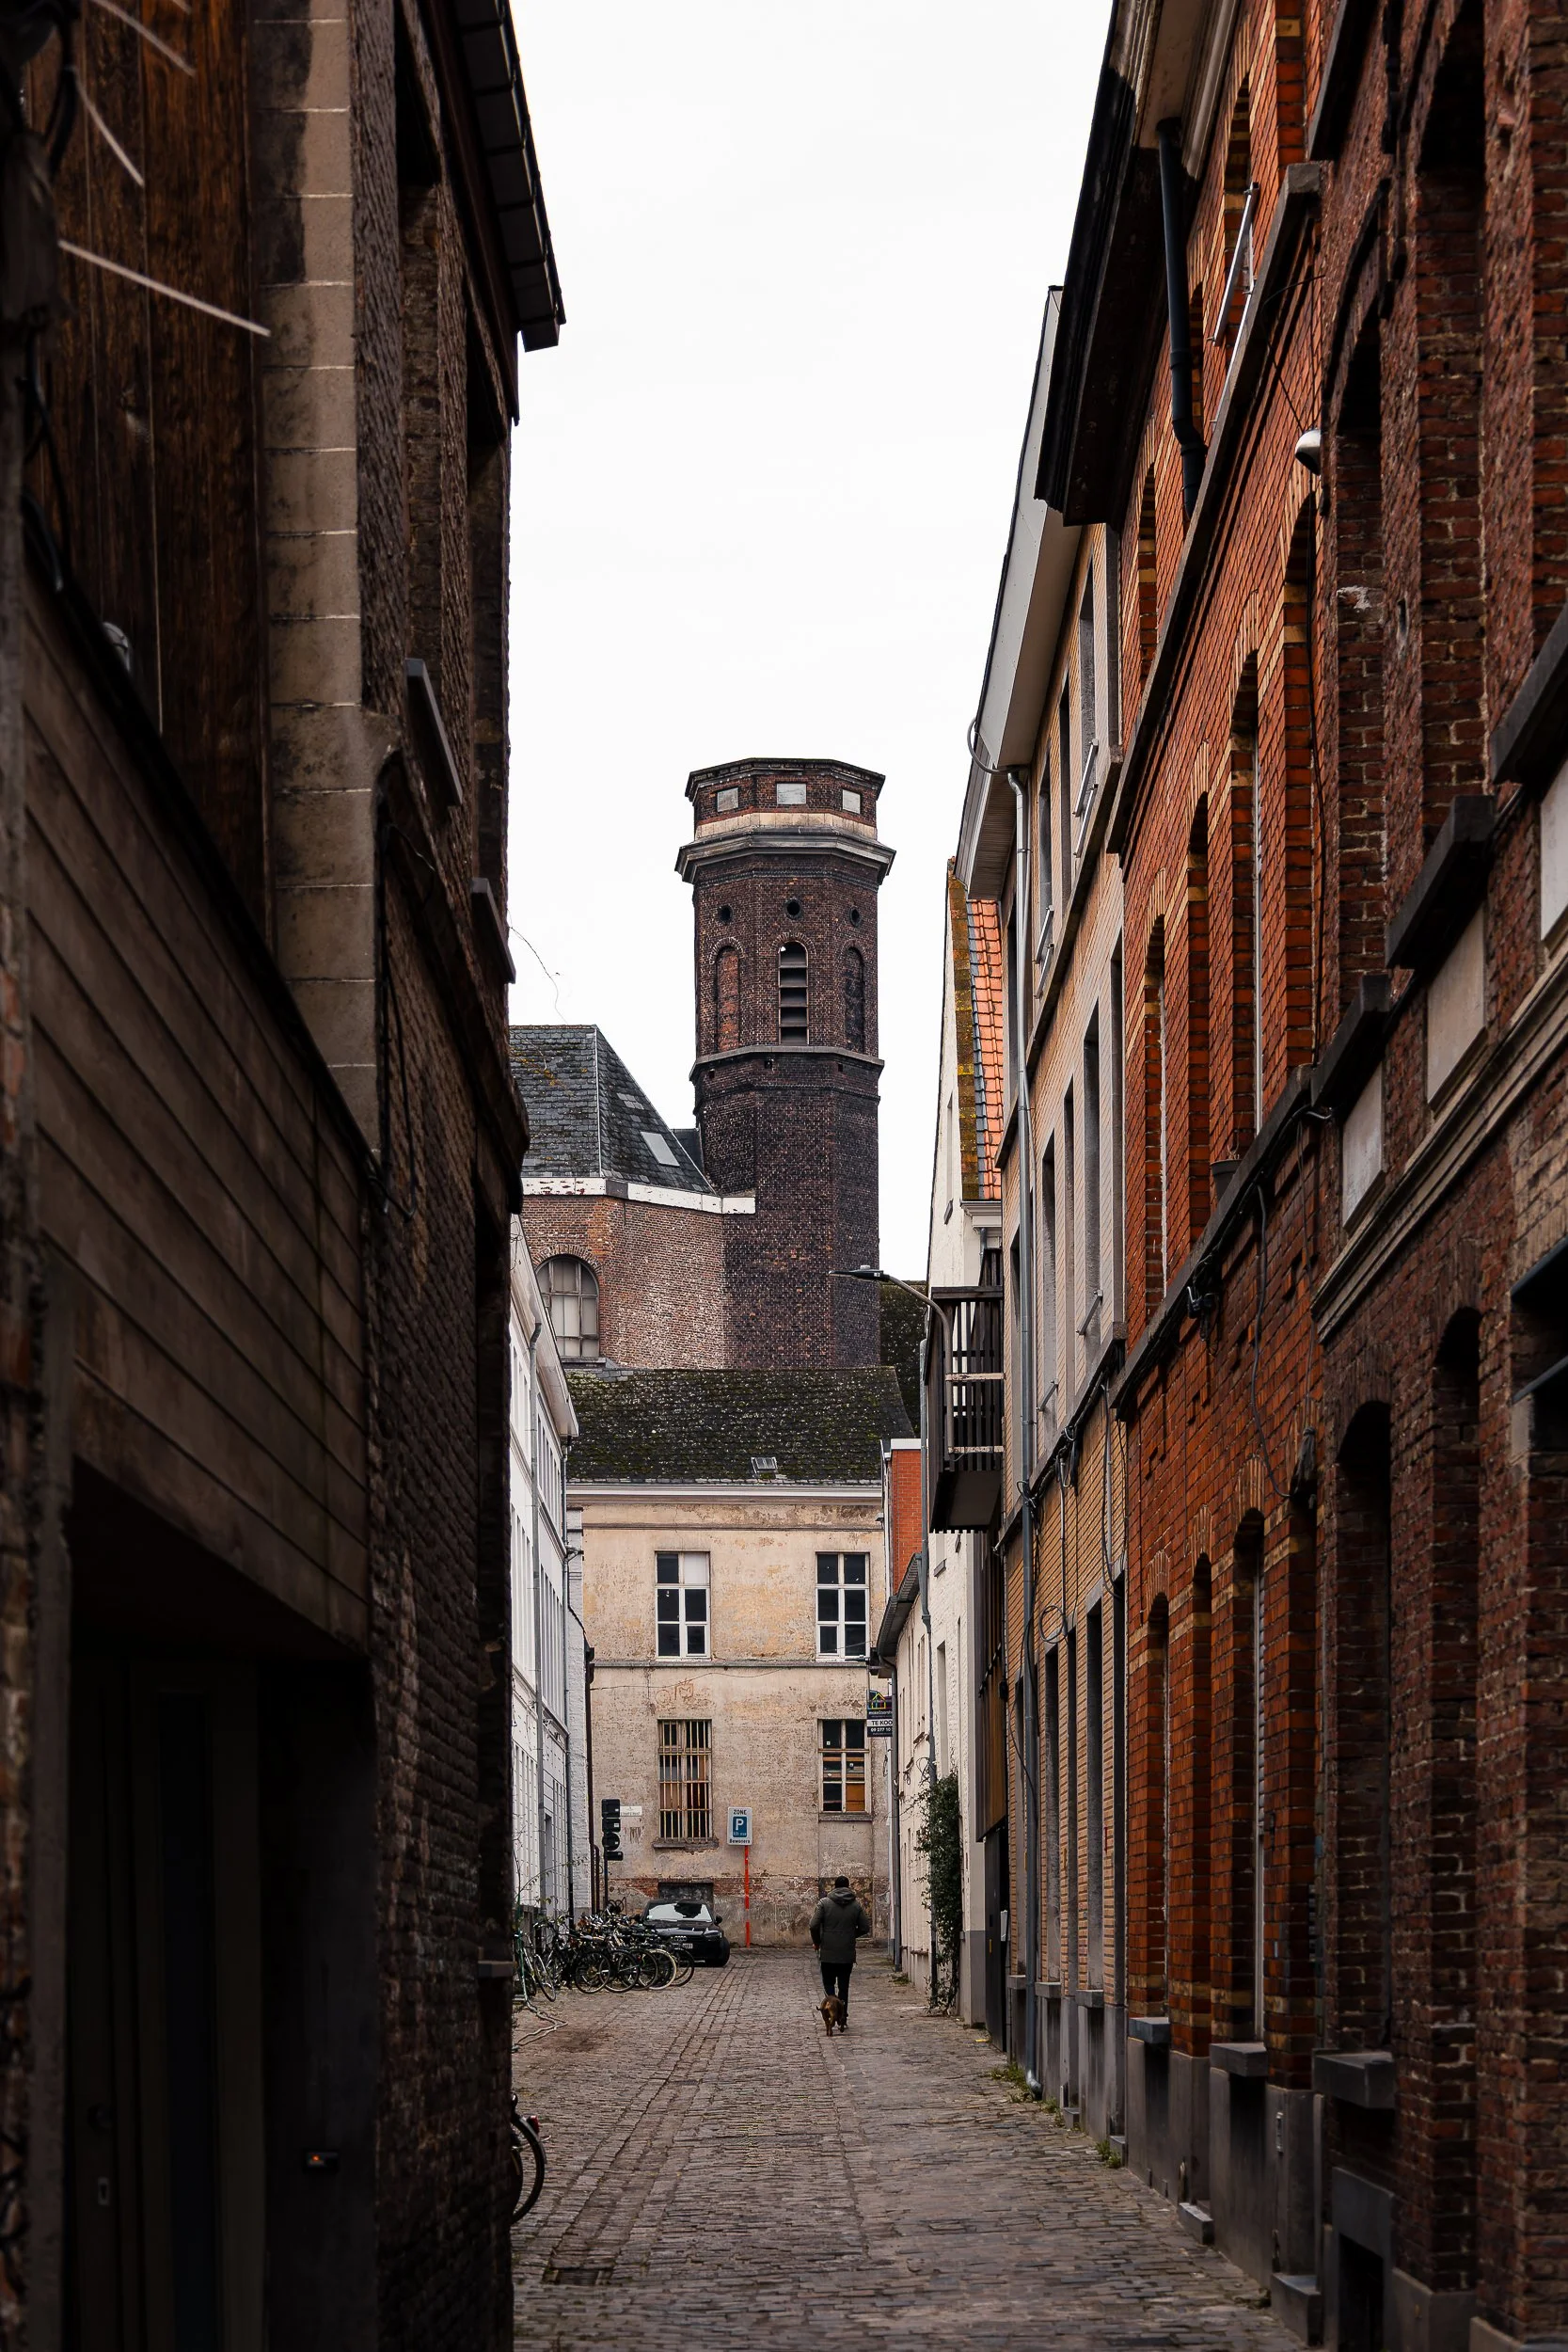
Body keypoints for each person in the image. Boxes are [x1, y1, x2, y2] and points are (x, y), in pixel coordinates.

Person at [809, 1874, 871, 2029]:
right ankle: (842, 2016)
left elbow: (813, 1925)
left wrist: (817, 1941)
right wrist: (850, 1934)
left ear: (834, 1887)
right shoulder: (856, 1905)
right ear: (848, 1887)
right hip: (846, 1953)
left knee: (828, 1984)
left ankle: (831, 2011)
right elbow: (865, 1927)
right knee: (844, 1986)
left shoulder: (824, 1903)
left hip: (828, 1952)